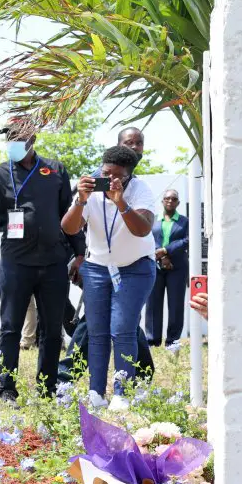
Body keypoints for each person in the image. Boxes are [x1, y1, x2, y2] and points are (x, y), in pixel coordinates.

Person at [0, 122, 83, 402]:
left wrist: (79, 253)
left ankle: (46, 389)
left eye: (18, 137)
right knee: (11, 327)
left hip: (53, 262)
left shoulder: (56, 170)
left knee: (51, 330)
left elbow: (68, 215)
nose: (12, 142)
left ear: (32, 139)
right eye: (9, 138)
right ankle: (7, 388)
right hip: (16, 262)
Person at [61, 145, 157, 403]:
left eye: (117, 177)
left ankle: (122, 394)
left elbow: (142, 230)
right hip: (97, 268)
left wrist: (121, 202)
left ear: (129, 176)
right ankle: (96, 393)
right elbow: (69, 228)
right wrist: (80, 200)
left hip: (135, 268)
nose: (110, 180)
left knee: (123, 328)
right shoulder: (90, 191)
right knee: (97, 330)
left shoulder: (141, 190)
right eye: (106, 173)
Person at [146, 189, 189, 346]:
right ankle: (152, 339)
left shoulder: (185, 222)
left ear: (178, 202)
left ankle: (173, 340)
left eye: (174, 198)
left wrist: (166, 250)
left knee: (176, 304)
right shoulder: (154, 221)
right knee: (153, 303)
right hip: (156, 266)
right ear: (162, 201)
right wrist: (163, 256)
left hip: (177, 268)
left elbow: (187, 240)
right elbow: (147, 238)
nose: (170, 201)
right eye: (167, 198)